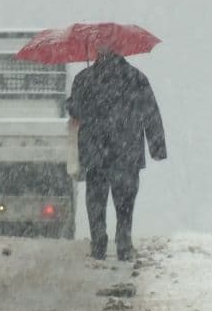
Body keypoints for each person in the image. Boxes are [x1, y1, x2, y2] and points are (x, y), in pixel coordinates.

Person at [65, 48, 166, 260]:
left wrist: (76, 101)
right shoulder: (136, 78)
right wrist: (156, 148)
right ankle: (123, 243)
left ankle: (99, 242)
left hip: (95, 151)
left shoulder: (84, 78)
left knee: (96, 200)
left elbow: (74, 111)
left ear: (97, 53)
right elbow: (151, 113)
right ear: (121, 52)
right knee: (125, 202)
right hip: (127, 152)